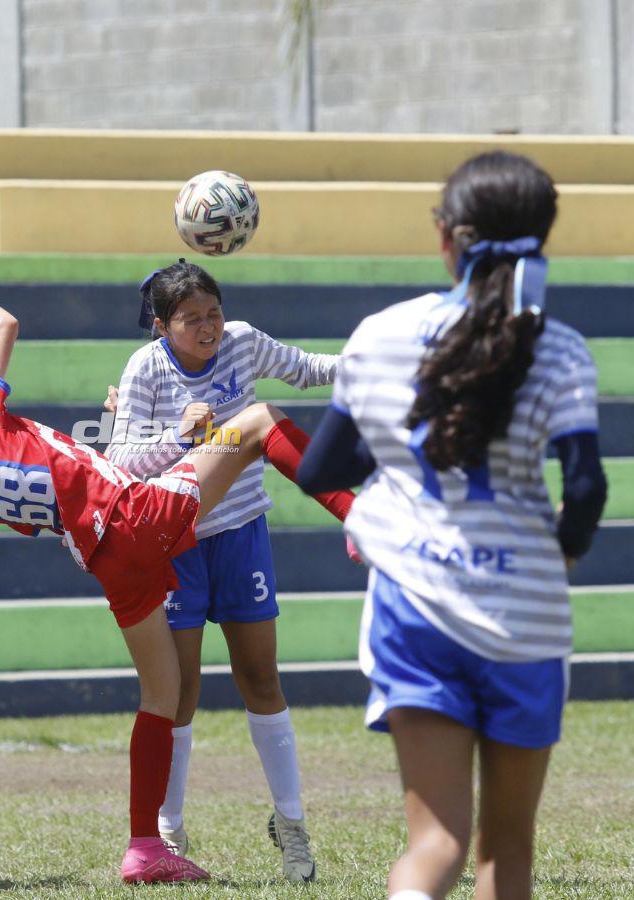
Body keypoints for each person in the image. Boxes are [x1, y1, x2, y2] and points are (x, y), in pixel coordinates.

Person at [0, 273, 348, 885]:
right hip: (136, 520)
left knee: (162, 696)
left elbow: (70, 481)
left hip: (108, 559)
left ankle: (145, 847)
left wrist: (116, 446)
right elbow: (4, 325)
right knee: (259, 421)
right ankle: (355, 513)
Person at [296, 150, 608, 900]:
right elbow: (589, 487)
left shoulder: (381, 334)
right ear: (542, 239)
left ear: (447, 236)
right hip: (524, 615)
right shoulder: (559, 349)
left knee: (435, 843)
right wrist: (559, 554)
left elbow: (320, 473)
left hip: (414, 605)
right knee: (507, 853)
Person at [103, 259, 357, 881]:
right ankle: (167, 832)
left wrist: (369, 362)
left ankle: (292, 825)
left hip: (243, 535)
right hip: (177, 541)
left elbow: (310, 369)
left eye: (213, 312)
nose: (209, 326)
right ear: (162, 327)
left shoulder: (242, 341)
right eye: (192, 319)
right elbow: (120, 457)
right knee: (180, 692)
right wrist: (179, 436)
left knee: (260, 679)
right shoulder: (146, 368)